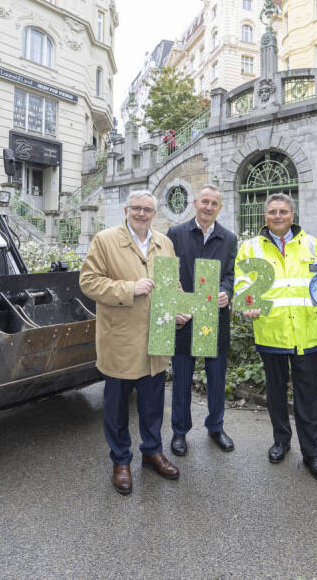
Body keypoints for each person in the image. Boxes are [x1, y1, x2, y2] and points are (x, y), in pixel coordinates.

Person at [79, 190, 186, 495]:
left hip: (157, 337)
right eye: (136, 208)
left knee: (152, 403)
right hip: (121, 338)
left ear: (155, 213)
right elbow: (88, 281)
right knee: (117, 407)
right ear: (126, 210)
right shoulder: (105, 240)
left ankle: (152, 452)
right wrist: (129, 288)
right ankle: (121, 460)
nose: (141, 213)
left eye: (147, 210)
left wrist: (177, 306)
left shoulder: (164, 243)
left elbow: (172, 284)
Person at [236, 193, 317, 482]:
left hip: (307, 333)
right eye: (273, 211)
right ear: (266, 216)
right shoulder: (250, 247)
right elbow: (242, 283)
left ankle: (312, 453)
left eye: (284, 211)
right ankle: (281, 440)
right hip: (272, 332)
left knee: (308, 396)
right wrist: (246, 303)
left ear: (293, 215)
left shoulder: (314, 245)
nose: (278, 216)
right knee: (276, 393)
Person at [167, 184, 238, 457]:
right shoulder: (175, 234)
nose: (208, 207)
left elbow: (231, 274)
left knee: (216, 377)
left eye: (214, 203)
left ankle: (216, 426)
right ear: (195, 203)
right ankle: (179, 431)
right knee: (182, 377)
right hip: (184, 316)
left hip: (213, 317)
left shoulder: (229, 238)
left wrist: (226, 291)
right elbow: (167, 271)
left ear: (220, 207)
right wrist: (173, 301)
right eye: (204, 202)